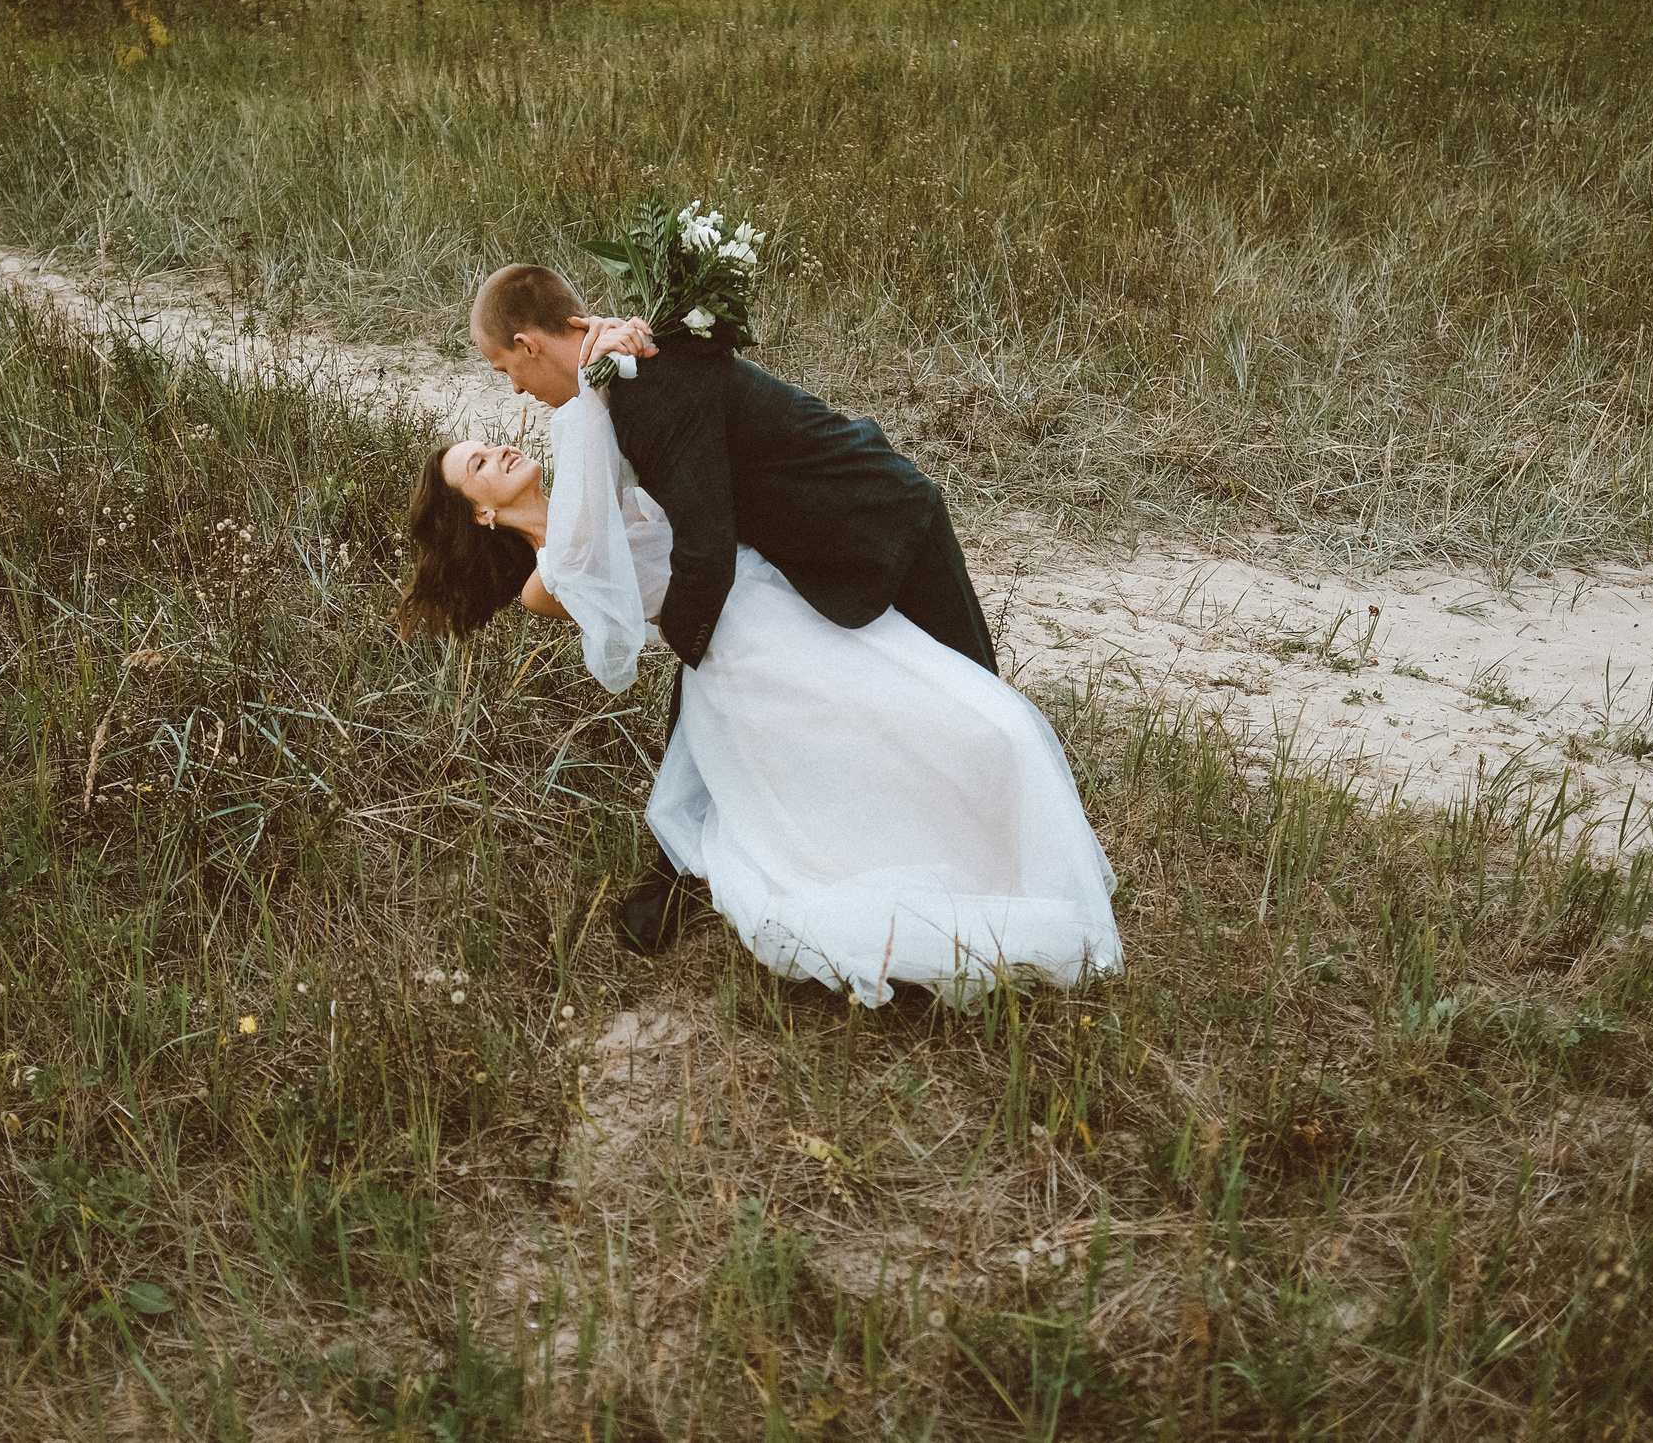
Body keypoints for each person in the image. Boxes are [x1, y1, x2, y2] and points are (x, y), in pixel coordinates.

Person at [397, 264, 1121, 1006]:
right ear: (481, 514)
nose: (506, 420)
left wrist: (608, 347)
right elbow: (608, 575)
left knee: (945, 717)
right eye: (479, 464)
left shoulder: (593, 449)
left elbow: (632, 456)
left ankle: (1001, 846)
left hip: (772, 599)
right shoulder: (542, 577)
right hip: (740, 645)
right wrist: (594, 362)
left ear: (525, 344)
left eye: (500, 388)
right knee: (850, 778)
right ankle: (943, 896)